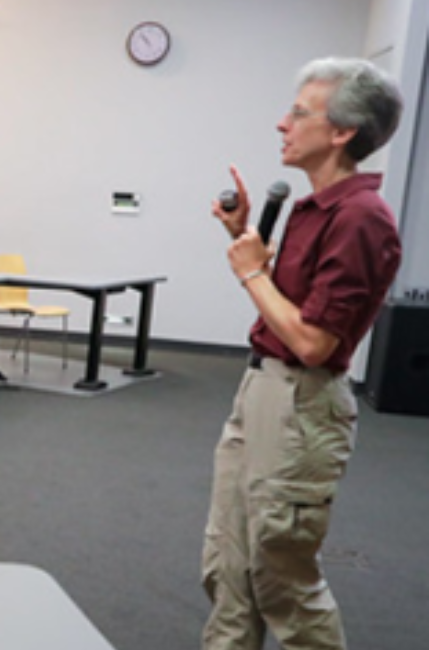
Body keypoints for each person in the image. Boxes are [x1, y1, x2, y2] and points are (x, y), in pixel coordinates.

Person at [201, 57, 403, 650]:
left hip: (300, 403)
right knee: (230, 569)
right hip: (262, 392)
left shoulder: (362, 219)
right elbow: (288, 308)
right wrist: (245, 245)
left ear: (342, 132)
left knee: (280, 579)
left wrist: (251, 274)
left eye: (297, 113)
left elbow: (314, 343)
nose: (281, 124)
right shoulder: (315, 208)